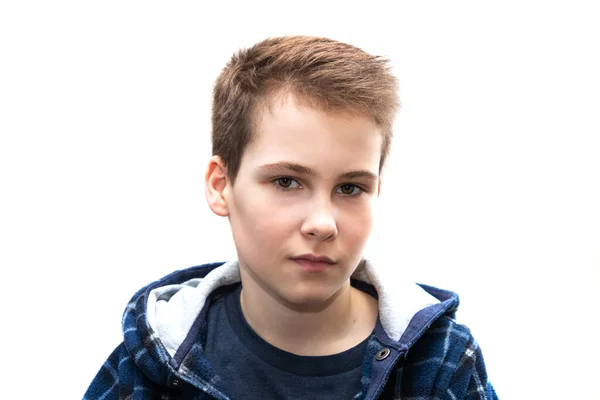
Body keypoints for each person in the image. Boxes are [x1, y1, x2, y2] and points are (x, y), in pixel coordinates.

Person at [84, 35, 497, 399]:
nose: (322, 223)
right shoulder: (145, 369)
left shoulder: (441, 364)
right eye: (286, 182)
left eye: (350, 188)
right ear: (220, 185)